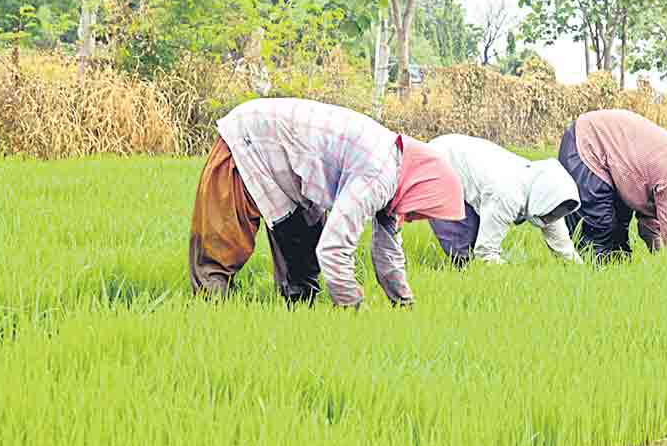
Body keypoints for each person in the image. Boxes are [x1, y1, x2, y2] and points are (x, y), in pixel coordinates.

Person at [188, 98, 464, 308]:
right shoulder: (379, 174)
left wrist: (404, 306)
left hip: (293, 167)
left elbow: (387, 254)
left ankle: (297, 319)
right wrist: (352, 308)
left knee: (303, 257)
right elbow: (334, 249)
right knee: (221, 247)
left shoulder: (397, 179)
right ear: (422, 188)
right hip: (251, 136)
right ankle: (210, 315)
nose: (414, 217)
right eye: (421, 211)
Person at [557, 109, 667, 258]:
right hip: (587, 143)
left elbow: (649, 222)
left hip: (599, 144)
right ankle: (592, 284)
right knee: (600, 230)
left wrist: (658, 256)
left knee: (619, 231)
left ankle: (617, 281)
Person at [426, 134, 582, 265]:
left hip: (462, 159)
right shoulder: (508, 195)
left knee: (475, 238)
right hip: (439, 163)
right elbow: (485, 253)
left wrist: (580, 271)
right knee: (461, 246)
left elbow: (564, 248)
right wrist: (516, 276)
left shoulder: (548, 198)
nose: (552, 217)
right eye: (553, 214)